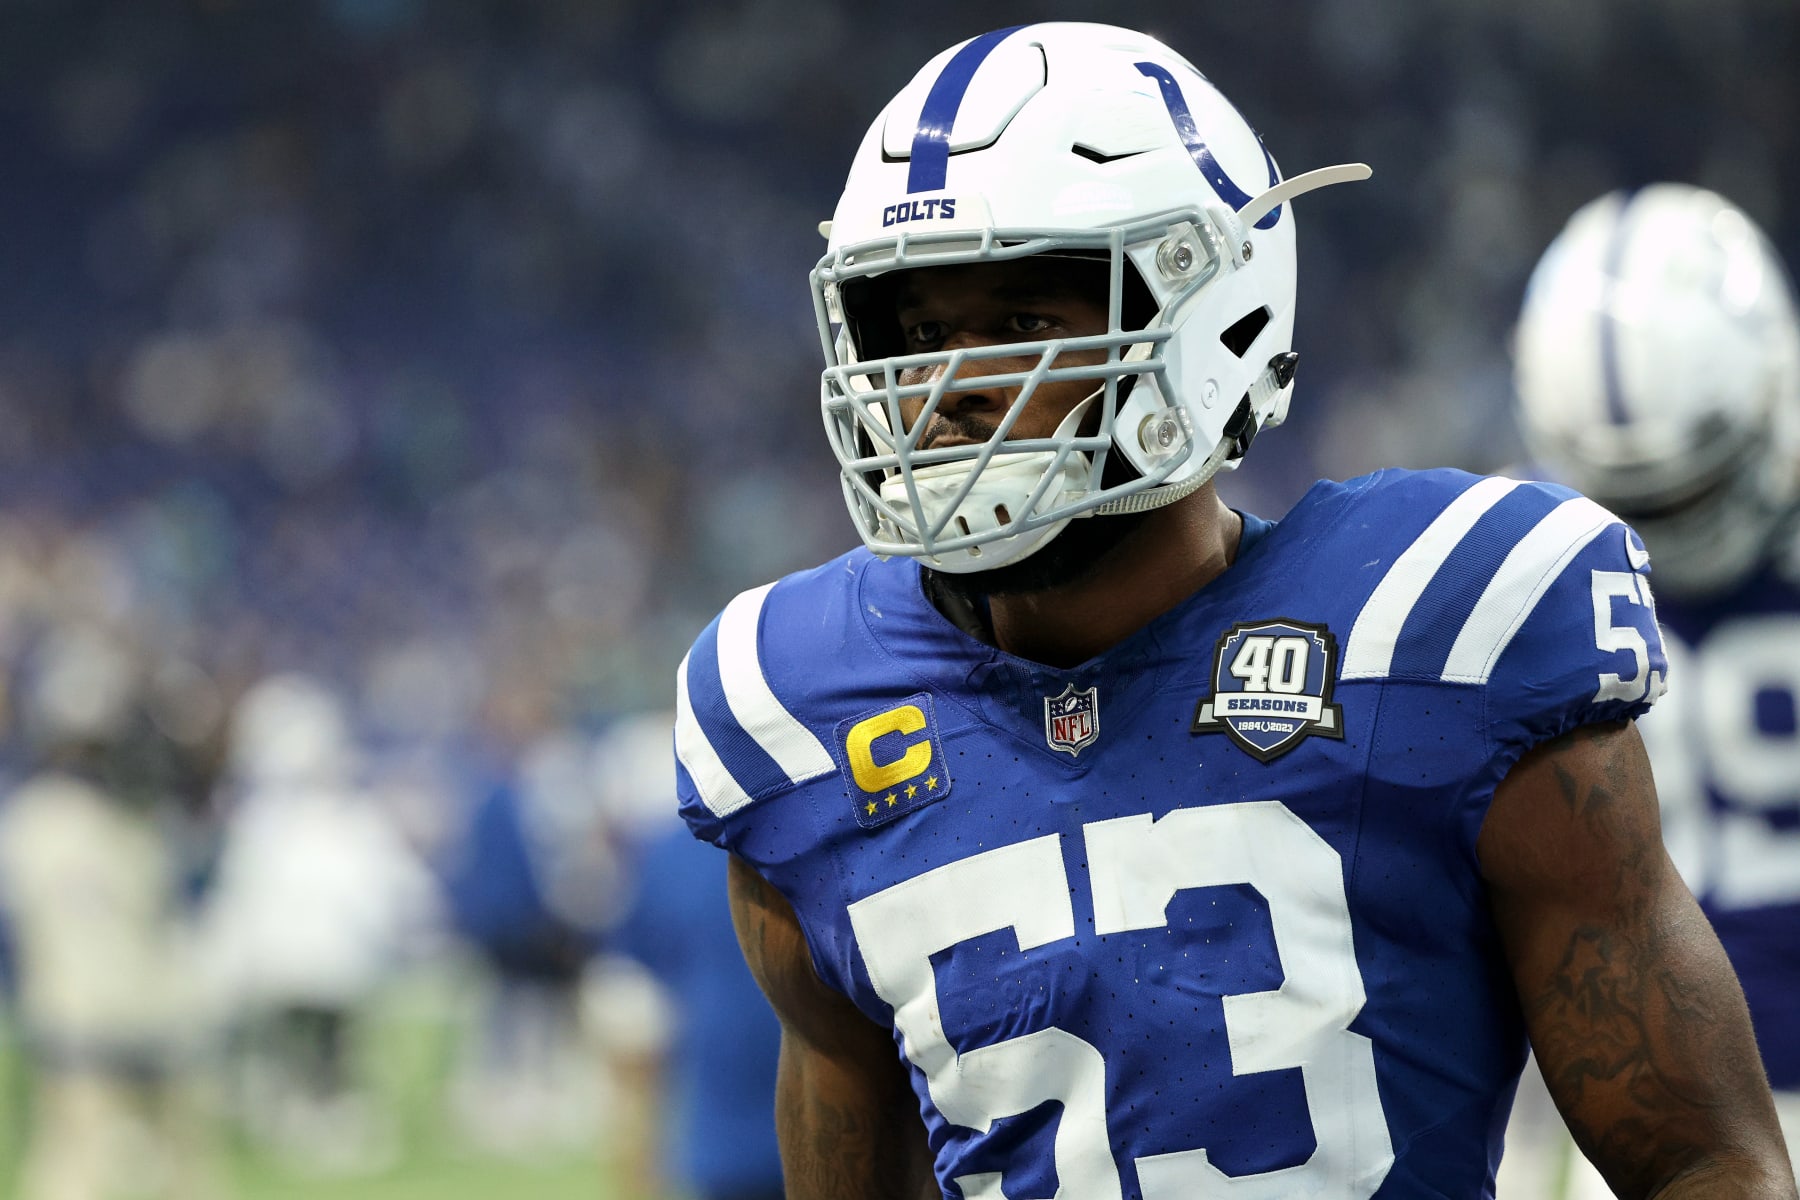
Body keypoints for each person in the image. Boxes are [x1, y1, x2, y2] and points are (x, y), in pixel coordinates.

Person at [673, 22, 1797, 1200]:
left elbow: (1705, 1164)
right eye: (916, 334)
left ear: (1215, 316)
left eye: (1022, 323)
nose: (948, 392)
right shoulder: (796, 705)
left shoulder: (1434, 632)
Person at [1503, 182, 1800, 1196]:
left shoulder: (1523, 590)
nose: (1667, 533)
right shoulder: (1514, 588)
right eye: (1632, 501)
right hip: (1645, 1104)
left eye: (1693, 488)